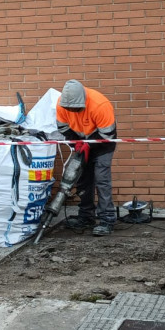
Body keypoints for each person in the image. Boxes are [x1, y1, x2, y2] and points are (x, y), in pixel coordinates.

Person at [56, 79, 118, 236]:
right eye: (70, 108)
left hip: (102, 145)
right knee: (83, 181)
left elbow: (107, 133)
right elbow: (63, 127)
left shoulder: (99, 105)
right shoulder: (61, 104)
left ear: (83, 101)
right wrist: (76, 142)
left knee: (102, 180)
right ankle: (86, 216)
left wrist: (88, 145)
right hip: (80, 143)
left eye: (76, 108)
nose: (72, 111)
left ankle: (107, 219)